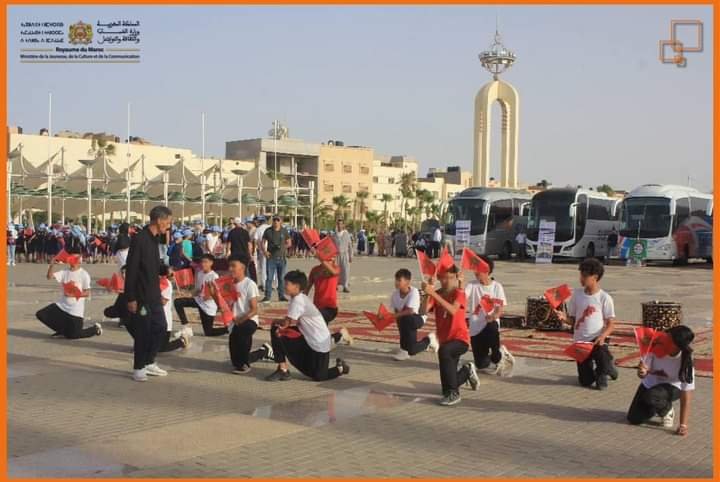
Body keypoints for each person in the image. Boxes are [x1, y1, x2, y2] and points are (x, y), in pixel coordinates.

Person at [265, 270, 351, 382]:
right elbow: (287, 323)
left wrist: (275, 320)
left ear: (296, 286)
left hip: (319, 343)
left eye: (287, 284)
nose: (284, 286)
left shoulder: (298, 300)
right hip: (308, 339)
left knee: (319, 376)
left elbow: (287, 323)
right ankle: (283, 369)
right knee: (277, 330)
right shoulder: (299, 297)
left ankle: (340, 368)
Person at [125, 205, 173, 382]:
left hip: (154, 293)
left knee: (160, 327)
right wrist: (131, 297)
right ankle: (139, 367)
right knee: (143, 331)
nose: (169, 226)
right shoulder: (140, 239)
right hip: (141, 296)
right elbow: (132, 269)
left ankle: (149, 361)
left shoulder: (154, 239)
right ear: (159, 220)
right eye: (168, 222)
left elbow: (153, 265)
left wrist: (165, 270)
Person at [556, 258, 619, 390]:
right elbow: (572, 320)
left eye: (585, 276)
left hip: (597, 340)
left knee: (601, 380)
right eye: (581, 275)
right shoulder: (577, 295)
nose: (581, 278)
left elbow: (611, 324)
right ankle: (607, 368)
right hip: (580, 341)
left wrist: (603, 336)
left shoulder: (604, 297)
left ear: (595, 277)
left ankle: (605, 369)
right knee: (585, 381)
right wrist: (564, 318)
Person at [422, 265, 479, 406]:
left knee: (444, 351)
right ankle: (466, 371)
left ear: (455, 278)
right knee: (447, 385)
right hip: (444, 339)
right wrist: (428, 292)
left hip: (460, 339)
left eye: (451, 277)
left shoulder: (459, 292)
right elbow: (422, 311)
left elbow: (453, 310)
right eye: (444, 278)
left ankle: (454, 394)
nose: (447, 281)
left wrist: (433, 294)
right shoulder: (436, 293)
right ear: (439, 278)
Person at [627, 325, 695, 436]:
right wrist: (642, 372)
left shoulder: (685, 360)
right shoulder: (654, 346)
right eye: (665, 336)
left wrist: (683, 424)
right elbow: (643, 374)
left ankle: (667, 410)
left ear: (676, 345)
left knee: (652, 395)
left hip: (673, 387)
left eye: (668, 339)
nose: (663, 340)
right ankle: (656, 406)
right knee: (634, 418)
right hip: (650, 384)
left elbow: (686, 393)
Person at [462, 255, 515, 376]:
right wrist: (460, 283)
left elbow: (499, 308)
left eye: (478, 270)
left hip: (490, 324)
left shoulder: (497, 286)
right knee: (481, 364)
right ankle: (497, 356)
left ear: (487, 270)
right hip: (475, 328)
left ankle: (498, 354)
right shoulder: (472, 285)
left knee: (492, 328)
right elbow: (462, 298)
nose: (476, 272)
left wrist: (493, 316)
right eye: (475, 269)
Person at [36, 248, 102, 339]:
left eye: (75, 259)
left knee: (74, 335)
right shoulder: (65, 272)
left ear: (80, 260)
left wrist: (72, 295)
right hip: (62, 306)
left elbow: (87, 293)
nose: (72, 261)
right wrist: (52, 265)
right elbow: (49, 277)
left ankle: (95, 329)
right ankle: (62, 331)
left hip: (75, 311)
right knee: (41, 314)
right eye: (71, 258)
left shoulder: (84, 274)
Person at [223, 255, 273, 373]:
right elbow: (223, 306)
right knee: (236, 361)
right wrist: (215, 294)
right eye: (229, 266)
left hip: (249, 320)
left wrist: (241, 320)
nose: (230, 269)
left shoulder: (249, 284)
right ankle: (262, 352)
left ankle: (245, 364)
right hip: (235, 322)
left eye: (233, 266)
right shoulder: (228, 284)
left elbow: (254, 309)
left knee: (242, 334)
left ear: (243, 267)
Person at [174, 253, 228, 337]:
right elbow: (198, 290)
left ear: (211, 263)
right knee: (178, 302)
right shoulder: (200, 273)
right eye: (202, 262)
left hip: (208, 306)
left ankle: (229, 329)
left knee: (208, 332)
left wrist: (209, 298)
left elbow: (217, 294)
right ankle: (186, 326)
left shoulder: (214, 276)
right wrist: (187, 294)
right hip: (199, 301)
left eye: (205, 262)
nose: (203, 264)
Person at [390, 269, 438, 361]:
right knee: (411, 349)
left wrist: (394, 316)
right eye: (396, 280)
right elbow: (397, 313)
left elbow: (411, 311)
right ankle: (407, 348)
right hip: (406, 321)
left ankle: (407, 349)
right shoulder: (394, 295)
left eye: (399, 280)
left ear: (408, 281)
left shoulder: (413, 292)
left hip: (418, 318)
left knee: (406, 318)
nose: (396, 283)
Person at [305, 257, 353, 346]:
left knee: (316, 328)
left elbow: (333, 272)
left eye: (332, 257)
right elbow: (307, 287)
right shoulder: (315, 270)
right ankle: (341, 335)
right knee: (320, 338)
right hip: (317, 307)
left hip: (330, 308)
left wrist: (322, 259)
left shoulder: (335, 268)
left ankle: (340, 335)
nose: (331, 259)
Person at [261, 215, 291, 302]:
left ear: (280, 221)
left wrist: (283, 247)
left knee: (281, 278)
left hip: (281, 258)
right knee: (269, 278)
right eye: (274, 220)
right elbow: (262, 242)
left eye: (278, 220)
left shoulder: (284, 231)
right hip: (271, 258)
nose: (276, 221)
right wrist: (265, 252)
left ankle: (281, 296)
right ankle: (267, 296)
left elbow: (289, 243)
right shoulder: (268, 231)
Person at [332, 219, 353, 293]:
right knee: (335, 270)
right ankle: (335, 285)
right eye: (338, 224)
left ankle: (345, 286)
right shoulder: (334, 235)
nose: (339, 225)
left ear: (343, 225)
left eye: (341, 224)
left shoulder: (346, 234)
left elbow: (350, 246)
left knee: (345, 270)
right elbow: (331, 245)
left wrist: (351, 255)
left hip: (345, 254)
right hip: (336, 255)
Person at [253, 215, 270, 292]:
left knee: (263, 268)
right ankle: (274, 285)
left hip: (262, 251)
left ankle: (264, 285)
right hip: (271, 250)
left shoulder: (258, 229)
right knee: (272, 268)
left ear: (260, 221)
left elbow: (255, 240)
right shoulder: (270, 227)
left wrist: (254, 250)